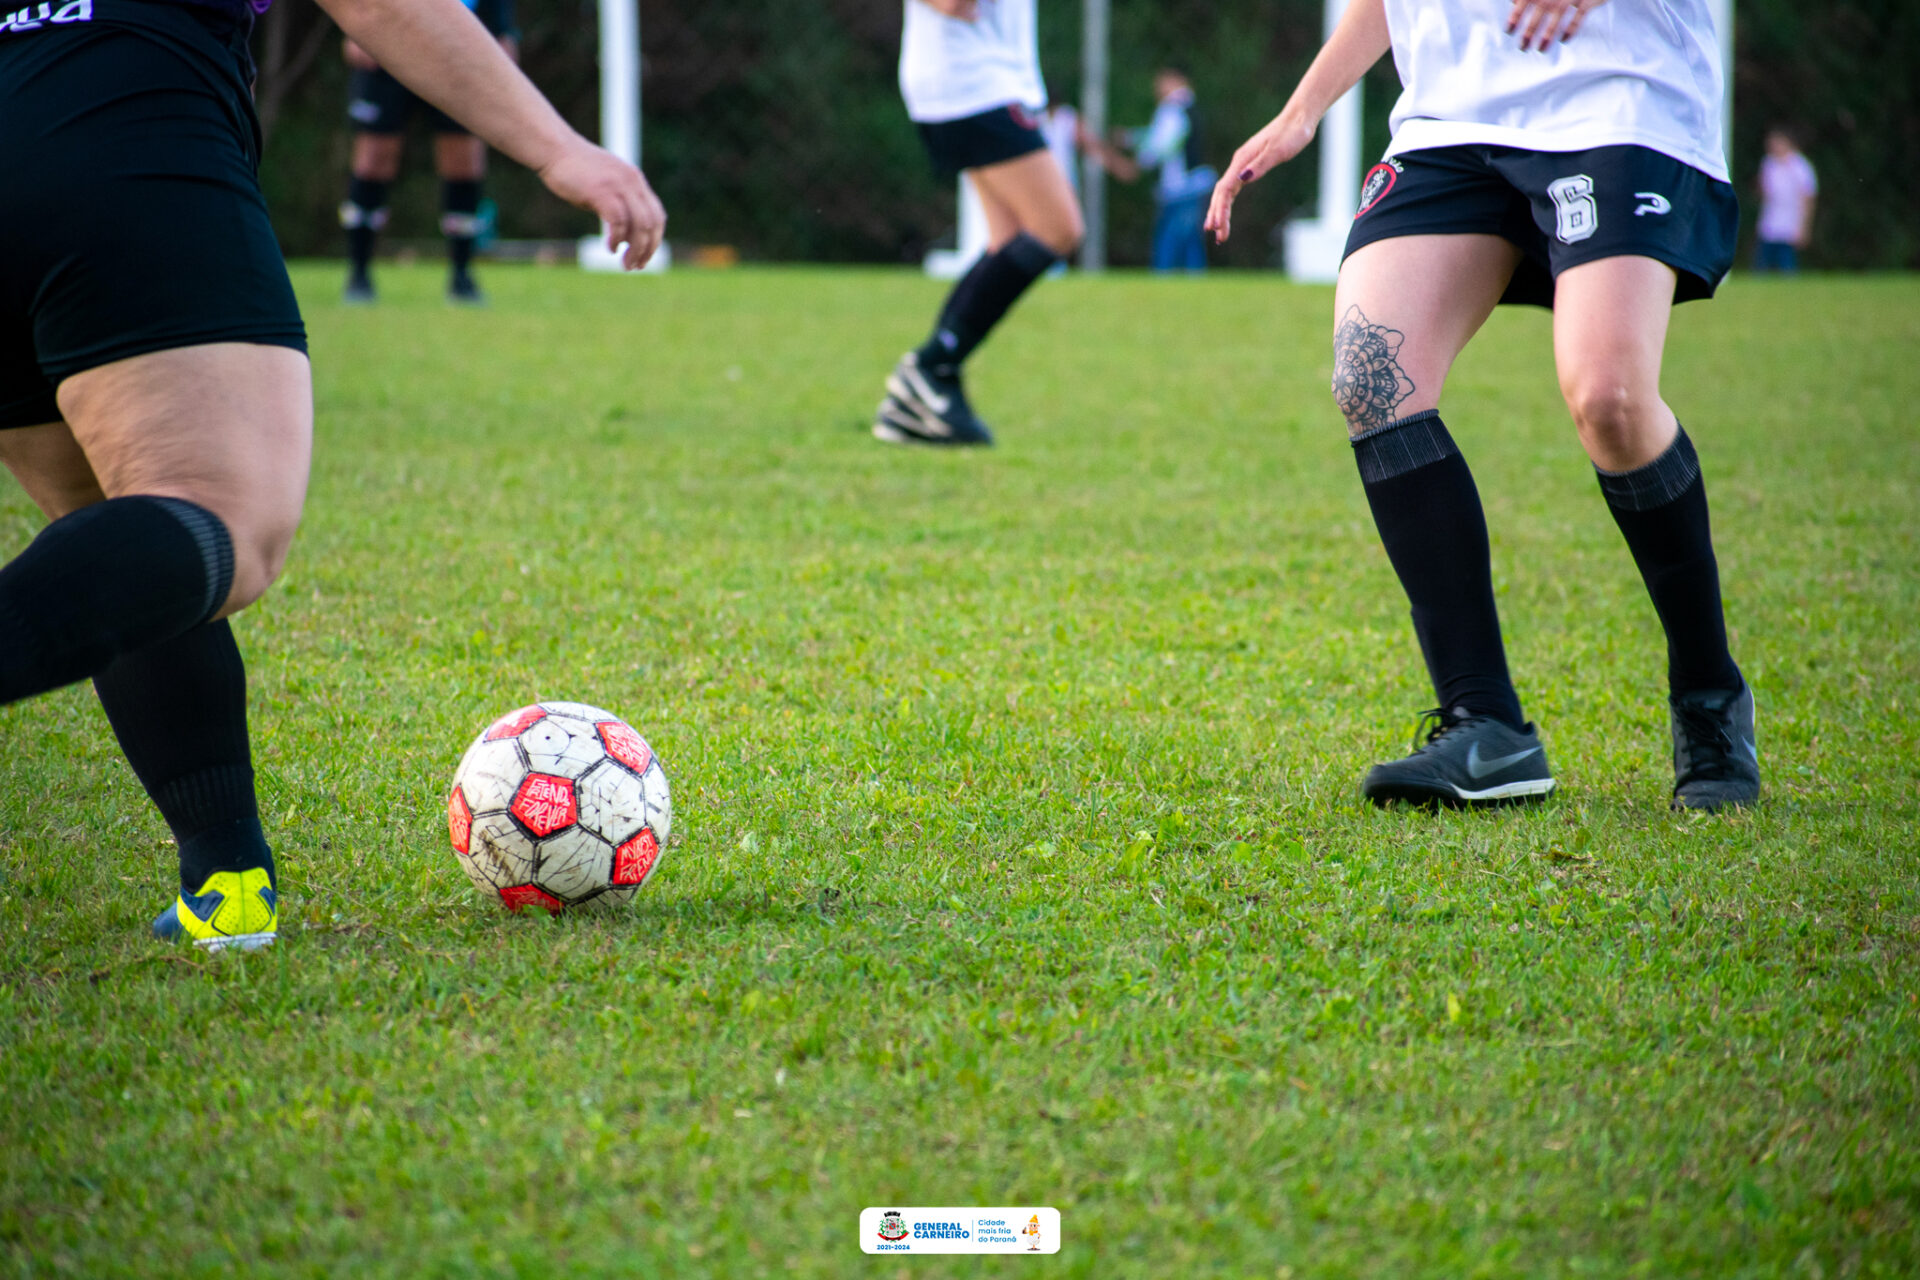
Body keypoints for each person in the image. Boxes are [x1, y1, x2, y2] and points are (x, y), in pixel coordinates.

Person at [0, 0, 664, 950]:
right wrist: (557, 147)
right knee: (218, 516)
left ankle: (226, 887)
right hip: (125, 118)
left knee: (112, 520)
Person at [1208, 0, 1759, 812]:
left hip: (1614, 96)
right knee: (1372, 378)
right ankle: (1486, 723)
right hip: (1449, 118)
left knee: (1609, 398)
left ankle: (1709, 697)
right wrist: (1302, 111)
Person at [875, 0, 1085, 447]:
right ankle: (929, 368)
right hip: (971, 82)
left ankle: (923, 390)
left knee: (1009, 241)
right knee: (1058, 227)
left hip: (986, 79)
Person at [339, 0, 520, 305]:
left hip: (458, 56)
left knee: (464, 161)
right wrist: (355, 27)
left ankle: (462, 277)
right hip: (388, 48)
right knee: (372, 161)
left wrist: (502, 38)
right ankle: (358, 274)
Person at [1117, 68, 1217, 272]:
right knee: (1190, 241)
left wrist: (1137, 164)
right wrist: (1129, 138)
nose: (1157, 87)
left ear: (1176, 80)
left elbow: (1161, 144)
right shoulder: (1189, 107)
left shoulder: (1173, 109)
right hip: (1196, 184)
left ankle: (1162, 280)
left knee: (1169, 241)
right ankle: (1196, 285)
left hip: (1182, 188)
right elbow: (1156, 136)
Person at [1754, 127, 1816, 273]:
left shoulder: (1800, 166)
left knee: (1786, 263)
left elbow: (1808, 197)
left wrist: (1804, 226)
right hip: (1770, 220)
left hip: (1790, 222)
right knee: (1761, 263)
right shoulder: (1768, 164)